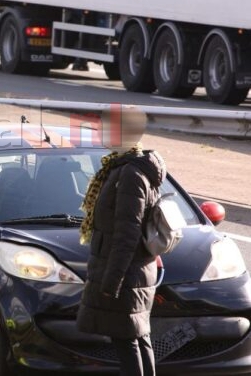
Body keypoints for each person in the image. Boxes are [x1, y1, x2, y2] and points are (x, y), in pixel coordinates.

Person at [77, 106, 166, 376]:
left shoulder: (130, 174)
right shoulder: (121, 167)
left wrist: (111, 281)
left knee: (128, 339)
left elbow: (127, 233)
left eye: (106, 126)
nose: (100, 131)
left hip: (126, 275)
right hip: (130, 272)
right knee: (135, 336)